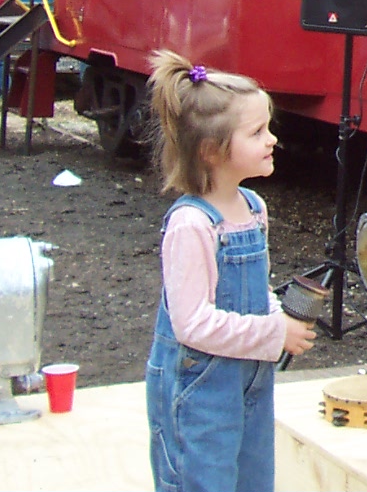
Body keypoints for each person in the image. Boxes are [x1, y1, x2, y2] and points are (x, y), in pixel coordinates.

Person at [143, 50, 315, 492]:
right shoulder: (192, 225)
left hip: (251, 379)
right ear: (210, 150)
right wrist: (273, 333)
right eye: (256, 132)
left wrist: (277, 317)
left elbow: (257, 292)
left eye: (268, 128)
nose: (272, 139)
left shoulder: (254, 208)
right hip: (199, 387)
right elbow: (192, 324)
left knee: (253, 480)